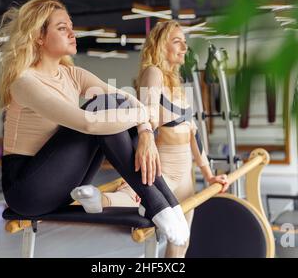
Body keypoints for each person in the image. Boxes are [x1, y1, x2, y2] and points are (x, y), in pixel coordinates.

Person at [0, 0, 189, 246]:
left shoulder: (71, 74)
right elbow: (89, 124)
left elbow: (126, 100)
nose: (72, 33)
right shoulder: (25, 82)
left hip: (60, 182)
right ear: (39, 37)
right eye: (62, 27)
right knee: (103, 110)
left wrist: (145, 134)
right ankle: (160, 203)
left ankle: (161, 201)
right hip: (27, 191)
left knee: (113, 104)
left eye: (71, 26)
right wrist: (144, 116)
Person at [73, 20, 230, 257]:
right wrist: (145, 137)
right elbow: (145, 114)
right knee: (135, 198)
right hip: (164, 168)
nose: (184, 48)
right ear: (160, 45)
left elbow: (193, 135)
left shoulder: (179, 84)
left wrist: (208, 174)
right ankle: (99, 200)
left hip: (186, 175)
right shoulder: (153, 73)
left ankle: (104, 199)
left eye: (185, 42)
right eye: (177, 41)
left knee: (181, 243)